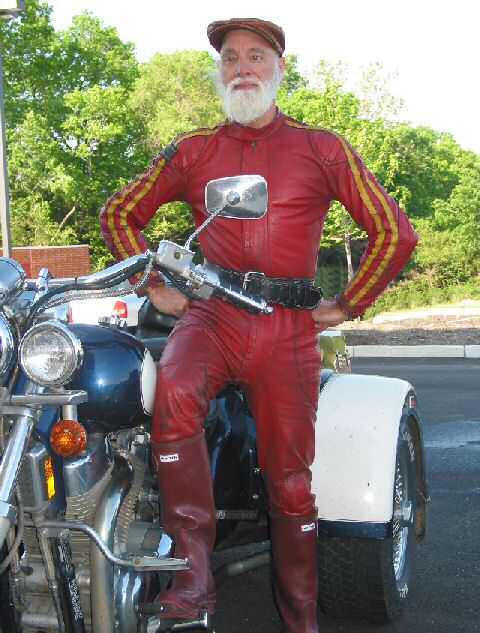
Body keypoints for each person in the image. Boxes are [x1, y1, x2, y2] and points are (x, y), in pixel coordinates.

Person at [100, 17, 418, 633]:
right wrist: (154, 287)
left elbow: (395, 233)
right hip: (213, 315)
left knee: (293, 485)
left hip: (285, 325)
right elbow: (120, 216)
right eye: (229, 59)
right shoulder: (193, 150)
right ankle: (194, 576)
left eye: (255, 56)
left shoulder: (322, 147)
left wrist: (348, 304)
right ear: (219, 72)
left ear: (280, 70)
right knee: (174, 392)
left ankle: (301, 621)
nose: (241, 66)